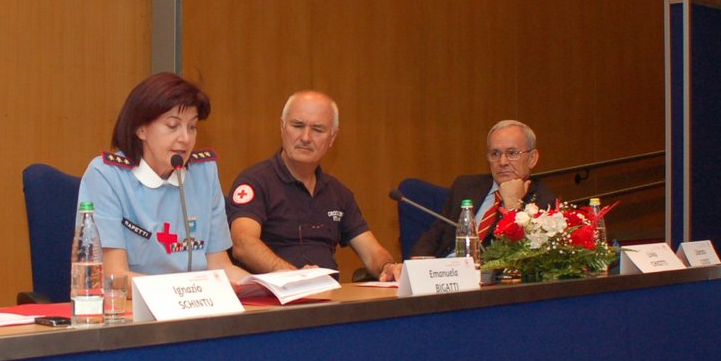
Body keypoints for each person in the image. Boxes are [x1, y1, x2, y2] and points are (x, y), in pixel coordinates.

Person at [78, 73, 245, 279]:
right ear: (141, 129)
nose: (185, 138)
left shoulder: (204, 172)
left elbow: (220, 266)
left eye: (192, 127)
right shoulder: (107, 175)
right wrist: (177, 292)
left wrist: (267, 287)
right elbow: (114, 276)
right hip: (137, 307)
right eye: (173, 126)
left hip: (198, 305)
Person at [227, 90, 401, 281]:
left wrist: (387, 266)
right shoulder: (255, 181)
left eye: (318, 129)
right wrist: (295, 277)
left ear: (332, 138)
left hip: (328, 300)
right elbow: (243, 244)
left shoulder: (338, 193)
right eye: (297, 126)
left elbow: (372, 252)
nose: (306, 137)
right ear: (282, 127)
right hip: (274, 301)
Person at [411, 119, 558, 258]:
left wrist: (513, 205)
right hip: (446, 273)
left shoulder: (544, 202)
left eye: (512, 153)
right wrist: (413, 266)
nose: (502, 162)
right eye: (495, 153)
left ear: (532, 158)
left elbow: (518, 258)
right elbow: (433, 237)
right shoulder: (465, 187)